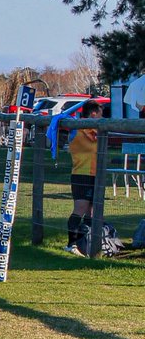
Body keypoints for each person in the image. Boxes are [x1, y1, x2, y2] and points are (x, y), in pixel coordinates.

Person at [65, 100, 102, 257]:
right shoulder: (78, 129)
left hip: (95, 175)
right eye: (100, 114)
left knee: (91, 211)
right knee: (80, 208)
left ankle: (84, 245)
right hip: (82, 173)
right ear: (93, 113)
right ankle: (71, 244)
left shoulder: (97, 130)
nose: (102, 117)